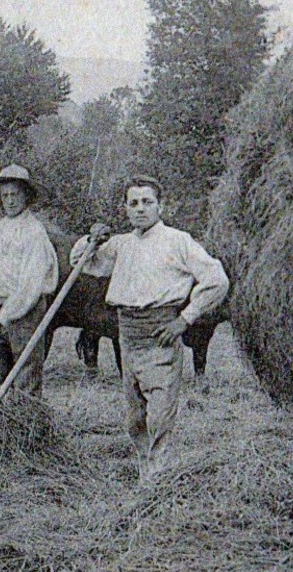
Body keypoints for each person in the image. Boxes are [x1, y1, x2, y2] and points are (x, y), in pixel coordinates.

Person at [72, 176, 229, 470]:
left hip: (161, 335)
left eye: (148, 202)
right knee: (135, 418)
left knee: (159, 417)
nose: (140, 209)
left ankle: (158, 482)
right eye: (134, 203)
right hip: (128, 335)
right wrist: (91, 239)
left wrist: (184, 320)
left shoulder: (178, 241)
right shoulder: (120, 245)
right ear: (126, 209)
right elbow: (82, 262)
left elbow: (216, 280)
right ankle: (147, 472)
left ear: (161, 206)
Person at [0, 164, 59, 396]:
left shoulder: (34, 233)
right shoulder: (0, 228)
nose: (10, 201)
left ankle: (30, 424)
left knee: (25, 374)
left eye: (15, 195)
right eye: (5, 196)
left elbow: (28, 289)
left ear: (27, 197)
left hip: (24, 312)